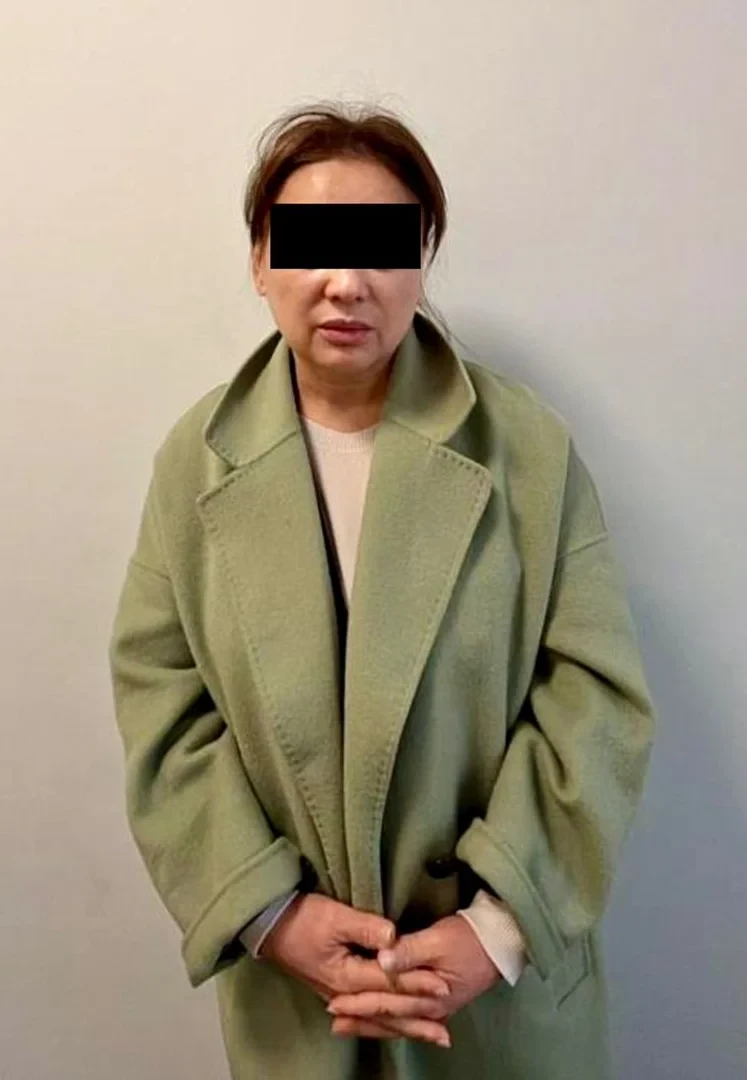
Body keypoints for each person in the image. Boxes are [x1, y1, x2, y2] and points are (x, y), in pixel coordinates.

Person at [107, 101, 657, 1080]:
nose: (345, 282)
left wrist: (495, 927)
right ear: (259, 261)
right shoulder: (195, 465)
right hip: (299, 1002)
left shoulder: (526, 449)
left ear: (423, 259)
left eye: (381, 246)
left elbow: (595, 697)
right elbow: (163, 699)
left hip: (497, 998)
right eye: (308, 245)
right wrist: (271, 913)